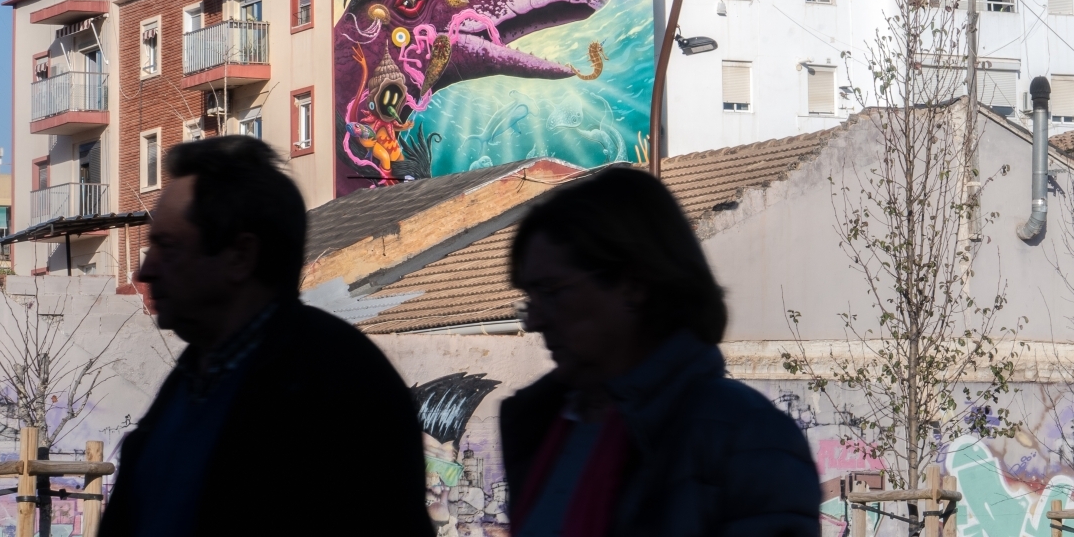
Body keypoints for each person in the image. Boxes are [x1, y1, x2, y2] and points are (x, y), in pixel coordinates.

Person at [100, 136, 432, 536]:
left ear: (240, 256)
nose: (144, 272)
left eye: (167, 248)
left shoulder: (336, 384)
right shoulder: (195, 376)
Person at [501, 167, 821, 537]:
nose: (535, 321)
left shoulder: (747, 438)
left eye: (553, 292)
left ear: (633, 285)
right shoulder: (543, 428)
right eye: (530, 299)